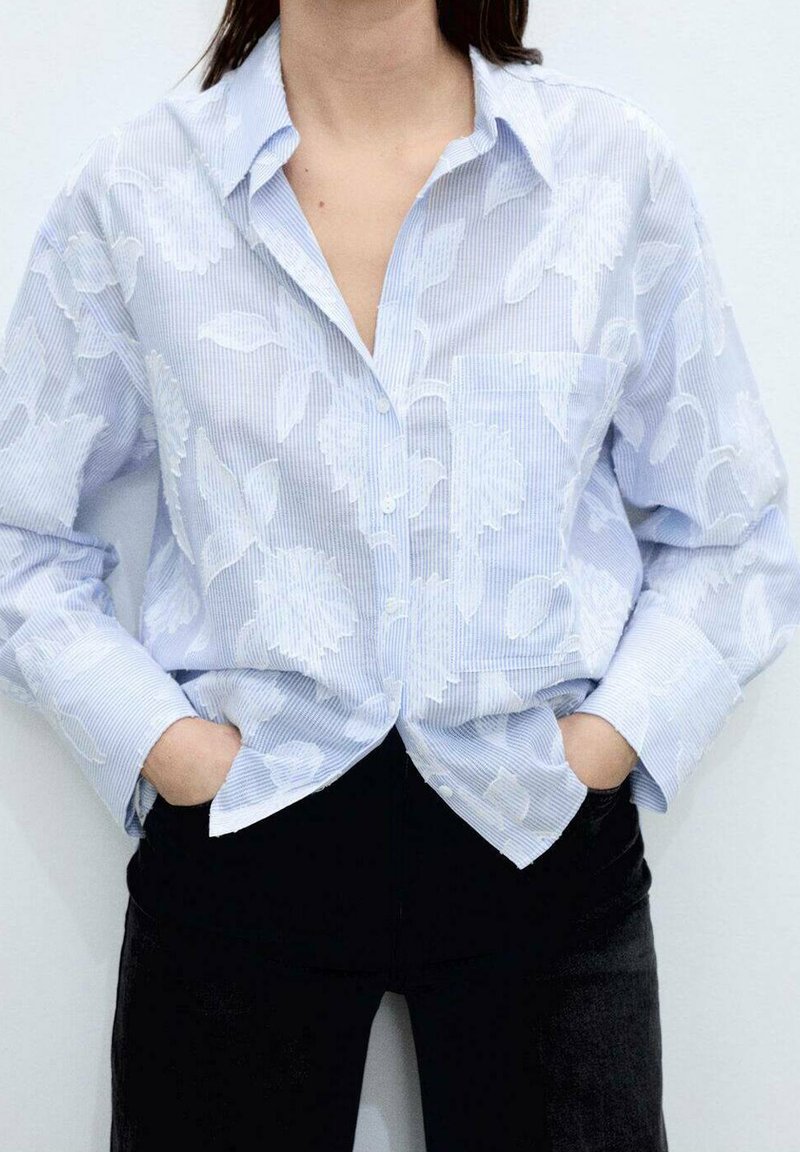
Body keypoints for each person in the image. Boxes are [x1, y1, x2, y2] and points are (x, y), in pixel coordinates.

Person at [3, 2, 800, 1149]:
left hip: (536, 827)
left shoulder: (605, 173)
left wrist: (605, 742)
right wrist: (165, 750)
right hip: (244, 833)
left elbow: (732, 528)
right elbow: (18, 531)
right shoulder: (139, 193)